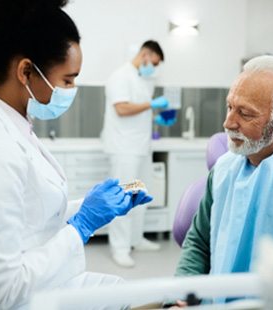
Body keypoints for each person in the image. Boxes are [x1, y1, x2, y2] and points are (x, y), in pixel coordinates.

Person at [0, 1, 152, 309]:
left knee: (133, 295)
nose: (72, 89)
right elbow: (3, 294)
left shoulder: (9, 125)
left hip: (34, 288)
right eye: (68, 79)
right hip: (5, 303)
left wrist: (89, 207)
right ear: (26, 71)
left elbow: (27, 216)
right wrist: (83, 225)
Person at [174, 55, 273, 305]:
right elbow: (199, 241)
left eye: (245, 114)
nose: (228, 123)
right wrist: (183, 295)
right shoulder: (224, 168)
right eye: (229, 107)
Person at [101, 40, 168, 268]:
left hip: (140, 147)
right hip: (124, 148)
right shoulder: (120, 76)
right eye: (155, 63)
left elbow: (138, 109)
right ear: (146, 55)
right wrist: (151, 104)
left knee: (140, 195)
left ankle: (136, 239)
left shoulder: (140, 78)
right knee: (124, 197)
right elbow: (122, 109)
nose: (154, 68)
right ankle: (119, 248)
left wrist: (156, 117)